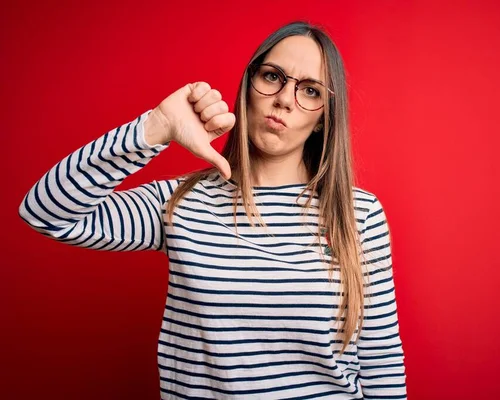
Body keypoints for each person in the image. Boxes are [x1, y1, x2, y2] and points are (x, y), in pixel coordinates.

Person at [19, 20, 407, 399]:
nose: (285, 99)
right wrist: (155, 127)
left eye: (310, 90)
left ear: (324, 116)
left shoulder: (359, 214)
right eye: (273, 77)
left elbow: (381, 362)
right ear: (248, 85)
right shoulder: (181, 203)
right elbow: (45, 211)